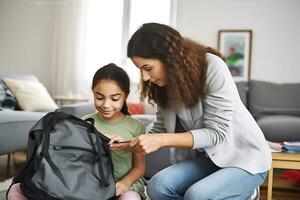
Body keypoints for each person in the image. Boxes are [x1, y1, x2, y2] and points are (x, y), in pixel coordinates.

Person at [110, 23, 272, 200]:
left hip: (244, 158)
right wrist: (129, 144)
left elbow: (216, 134)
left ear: (169, 57)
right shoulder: (163, 84)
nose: (145, 77)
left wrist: (160, 140)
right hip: (210, 159)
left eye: (147, 68)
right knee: (156, 187)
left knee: (196, 195)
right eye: (140, 70)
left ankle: (244, 193)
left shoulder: (212, 66)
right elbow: (160, 130)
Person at [82, 63, 147, 200]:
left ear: (125, 96)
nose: (106, 105)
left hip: (127, 187)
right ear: (93, 91)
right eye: (99, 97)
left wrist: (125, 183)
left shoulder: (136, 127)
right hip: (93, 186)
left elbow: (139, 167)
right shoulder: (85, 122)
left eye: (114, 99)